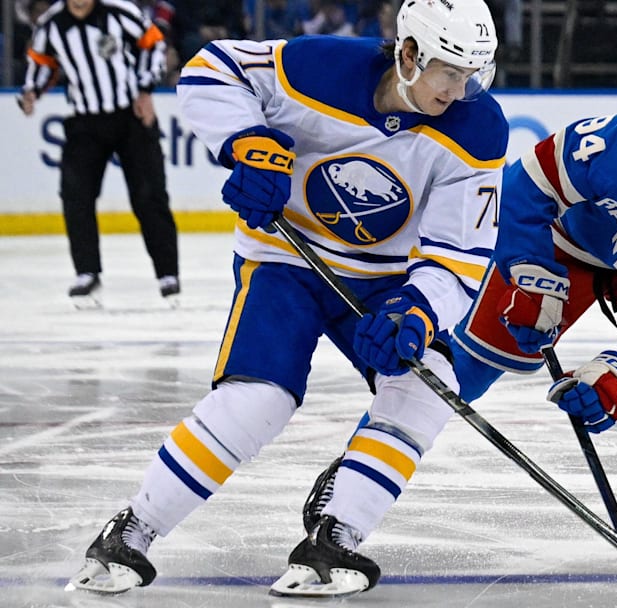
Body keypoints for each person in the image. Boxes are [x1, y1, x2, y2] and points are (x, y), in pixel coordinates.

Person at [66, 0, 506, 598]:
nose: (459, 91)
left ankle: (334, 539)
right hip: (285, 262)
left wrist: (419, 310)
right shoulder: (315, 67)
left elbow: (460, 256)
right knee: (258, 401)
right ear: (407, 53)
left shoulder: (478, 128)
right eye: (449, 72)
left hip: (385, 282)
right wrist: (246, 142)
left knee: (426, 382)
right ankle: (132, 530)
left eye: (472, 75)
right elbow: (209, 68)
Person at [301, 94, 617, 576]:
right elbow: (523, 188)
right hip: (560, 245)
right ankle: (354, 478)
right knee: (463, 364)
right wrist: (528, 270)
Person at [18, 0, 179, 308]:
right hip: (86, 122)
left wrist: (146, 89)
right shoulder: (52, 24)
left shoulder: (120, 12)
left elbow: (154, 43)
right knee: (75, 195)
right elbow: (41, 62)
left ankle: (167, 274)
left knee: (150, 195)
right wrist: (31, 91)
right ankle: (87, 272)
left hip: (132, 116)